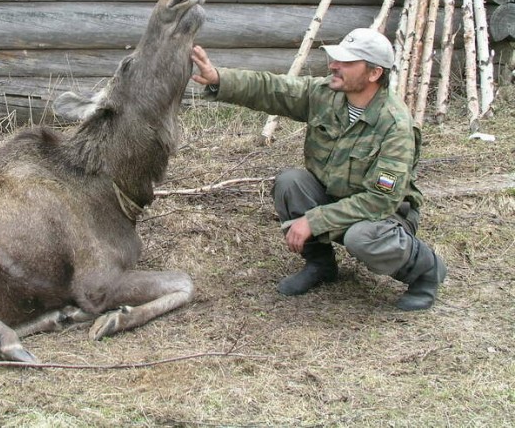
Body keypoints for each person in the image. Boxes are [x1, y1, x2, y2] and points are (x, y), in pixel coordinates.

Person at [190, 28, 446, 311]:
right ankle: (321, 266)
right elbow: (273, 89)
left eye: (347, 62)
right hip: (336, 197)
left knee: (361, 237)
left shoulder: (395, 126)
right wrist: (219, 78)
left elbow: (380, 201)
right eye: (336, 59)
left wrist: (315, 220)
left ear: (374, 74)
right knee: (291, 183)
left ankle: (426, 273)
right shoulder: (326, 95)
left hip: (385, 217)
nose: (334, 65)